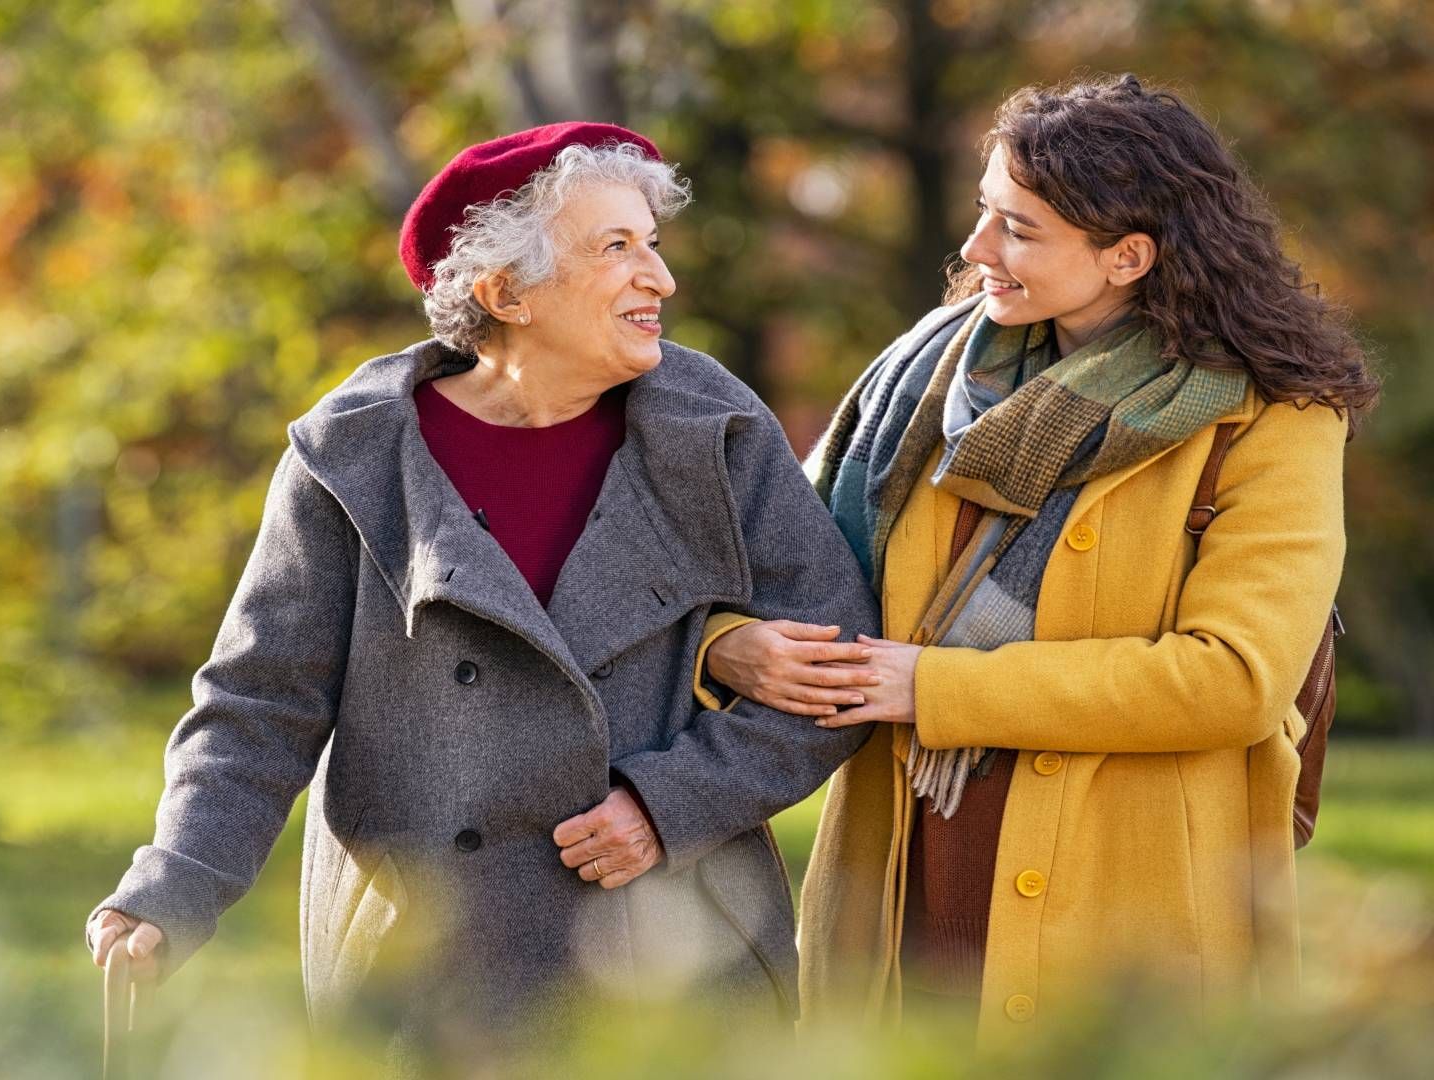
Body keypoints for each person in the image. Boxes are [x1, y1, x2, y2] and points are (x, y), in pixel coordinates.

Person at [84, 122, 879, 1060]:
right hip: (428, 971)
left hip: (673, 963)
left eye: (652, 245)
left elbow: (837, 671)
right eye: (616, 249)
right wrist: (172, 884)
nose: (659, 279)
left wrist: (669, 805)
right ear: (505, 292)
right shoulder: (354, 456)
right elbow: (260, 703)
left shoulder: (712, 427)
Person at [698, 74, 1378, 1045]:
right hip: (900, 895)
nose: (976, 252)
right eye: (984, 213)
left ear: (1127, 256)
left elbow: (1233, 679)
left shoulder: (1273, 420)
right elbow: (777, 572)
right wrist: (732, 646)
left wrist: (935, 688)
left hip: (1125, 926)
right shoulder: (925, 382)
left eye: (1018, 229)